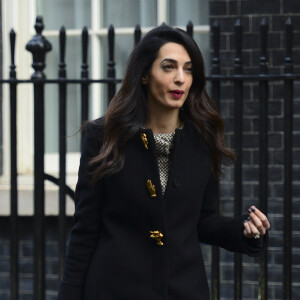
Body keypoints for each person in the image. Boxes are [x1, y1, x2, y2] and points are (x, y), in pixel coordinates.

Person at [58, 24, 270, 300]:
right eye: (169, 67)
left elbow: (201, 221)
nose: (180, 78)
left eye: (188, 69)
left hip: (184, 290)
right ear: (145, 74)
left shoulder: (203, 140)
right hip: (115, 289)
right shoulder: (104, 136)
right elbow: (85, 230)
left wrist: (243, 230)